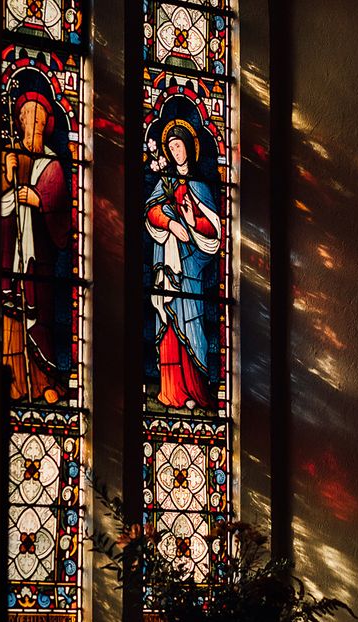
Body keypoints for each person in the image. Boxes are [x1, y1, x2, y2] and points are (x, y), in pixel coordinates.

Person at [144, 119, 221, 409]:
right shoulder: (165, 185)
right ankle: (172, 391)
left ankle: (196, 390)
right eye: (172, 147)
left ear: (189, 149)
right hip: (169, 263)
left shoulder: (200, 187)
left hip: (192, 269)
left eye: (180, 146)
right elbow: (151, 213)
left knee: (193, 324)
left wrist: (191, 221)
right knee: (167, 321)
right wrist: (171, 223)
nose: (176, 152)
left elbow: (214, 230)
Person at [1, 90, 72, 403]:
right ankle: (13, 380)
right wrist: (7, 175)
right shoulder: (10, 156)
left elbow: (61, 215)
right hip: (9, 253)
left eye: (40, 121)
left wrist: (38, 200)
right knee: (10, 312)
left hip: (38, 260)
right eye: (29, 119)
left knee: (39, 316)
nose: (34, 126)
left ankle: (43, 380)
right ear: (20, 122)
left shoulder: (52, 165)